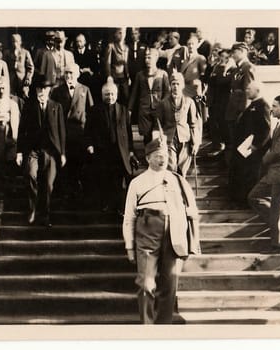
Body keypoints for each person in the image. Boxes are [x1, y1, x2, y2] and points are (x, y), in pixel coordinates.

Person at [123, 136, 200, 324]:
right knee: (146, 283)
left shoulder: (178, 180)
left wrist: (193, 241)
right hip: (147, 228)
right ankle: (147, 326)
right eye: (158, 155)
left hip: (174, 231)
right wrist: (129, 246)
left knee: (170, 283)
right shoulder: (137, 182)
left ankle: (163, 327)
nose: (163, 159)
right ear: (148, 158)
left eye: (165, 155)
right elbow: (129, 217)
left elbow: (192, 212)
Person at [16, 75, 66, 227]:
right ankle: (32, 210)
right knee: (31, 175)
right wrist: (19, 152)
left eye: (45, 89)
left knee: (49, 184)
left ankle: (45, 214)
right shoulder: (29, 106)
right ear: (36, 90)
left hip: (50, 151)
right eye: (39, 89)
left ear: (49, 90)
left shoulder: (56, 107)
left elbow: (61, 131)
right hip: (33, 151)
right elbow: (21, 130)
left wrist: (62, 153)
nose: (42, 92)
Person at [248, 94, 280, 249]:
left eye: (275, 106)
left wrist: (263, 158)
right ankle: (279, 226)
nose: (271, 109)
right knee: (254, 197)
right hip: (273, 173)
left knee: (278, 209)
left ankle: (278, 243)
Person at [85, 77, 136, 214]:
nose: (110, 97)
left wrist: (130, 151)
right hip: (103, 151)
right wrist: (90, 145)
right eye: (107, 94)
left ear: (116, 95)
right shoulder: (94, 110)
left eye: (112, 94)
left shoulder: (124, 110)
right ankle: (107, 204)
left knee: (120, 180)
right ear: (102, 96)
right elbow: (88, 130)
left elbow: (129, 132)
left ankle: (120, 207)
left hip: (120, 151)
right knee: (105, 178)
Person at [50, 63, 94, 197]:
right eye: (67, 73)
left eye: (71, 73)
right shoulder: (57, 91)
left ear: (78, 74)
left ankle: (78, 190)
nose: (69, 76)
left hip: (80, 132)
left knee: (78, 161)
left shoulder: (85, 90)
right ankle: (65, 192)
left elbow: (90, 112)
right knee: (65, 162)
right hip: (63, 131)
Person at [229, 81, 271, 204]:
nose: (246, 91)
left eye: (249, 89)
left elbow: (265, 129)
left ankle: (246, 203)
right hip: (243, 149)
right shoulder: (253, 104)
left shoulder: (263, 106)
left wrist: (255, 146)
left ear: (257, 91)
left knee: (250, 176)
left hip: (251, 151)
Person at [156, 72, 201, 178]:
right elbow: (158, 124)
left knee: (182, 170)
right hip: (169, 139)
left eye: (178, 84)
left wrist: (195, 143)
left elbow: (193, 124)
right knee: (171, 167)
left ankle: (181, 191)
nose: (175, 86)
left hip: (185, 139)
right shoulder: (163, 103)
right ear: (170, 86)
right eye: (173, 84)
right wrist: (160, 140)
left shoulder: (189, 102)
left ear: (183, 85)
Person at [128, 48, 170, 146]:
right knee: (146, 135)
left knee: (157, 134)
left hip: (158, 109)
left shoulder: (163, 74)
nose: (147, 60)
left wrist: (163, 104)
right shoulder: (140, 75)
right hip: (144, 109)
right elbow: (134, 93)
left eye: (149, 57)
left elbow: (167, 92)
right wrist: (129, 109)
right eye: (146, 57)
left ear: (156, 58)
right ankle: (147, 157)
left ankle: (156, 158)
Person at [225, 42, 255, 165]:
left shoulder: (248, 67)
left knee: (240, 143)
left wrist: (244, 113)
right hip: (233, 110)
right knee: (233, 141)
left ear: (243, 51)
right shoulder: (238, 68)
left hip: (239, 112)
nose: (232, 54)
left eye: (235, 52)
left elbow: (249, 92)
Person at [206, 49, 235, 157]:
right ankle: (216, 145)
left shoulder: (231, 69)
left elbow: (223, 81)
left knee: (223, 124)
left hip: (224, 101)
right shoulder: (216, 67)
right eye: (221, 56)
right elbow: (209, 82)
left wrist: (223, 70)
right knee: (213, 123)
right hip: (214, 100)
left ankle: (226, 146)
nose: (222, 58)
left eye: (225, 56)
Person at [181, 35, 208, 122]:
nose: (190, 46)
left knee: (197, 116)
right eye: (189, 44)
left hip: (195, 91)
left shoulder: (200, 58)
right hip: (185, 91)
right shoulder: (185, 60)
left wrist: (201, 91)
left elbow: (204, 77)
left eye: (193, 44)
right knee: (187, 116)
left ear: (197, 45)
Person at [104, 27, 130, 106]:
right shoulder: (111, 46)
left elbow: (126, 64)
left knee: (126, 97)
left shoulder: (126, 48)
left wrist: (128, 76)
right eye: (119, 33)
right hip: (114, 76)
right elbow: (107, 63)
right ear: (115, 34)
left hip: (123, 77)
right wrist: (109, 76)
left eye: (123, 33)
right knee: (114, 97)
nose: (122, 35)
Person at [3, 33, 34, 99]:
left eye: (16, 41)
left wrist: (28, 78)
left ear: (20, 42)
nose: (15, 44)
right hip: (11, 79)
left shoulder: (25, 52)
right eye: (13, 41)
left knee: (23, 97)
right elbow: (4, 66)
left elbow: (30, 67)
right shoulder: (7, 53)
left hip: (22, 79)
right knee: (11, 97)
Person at [72, 33, 99, 99]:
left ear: (85, 42)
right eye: (77, 41)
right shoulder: (73, 54)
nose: (78, 43)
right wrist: (81, 70)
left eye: (80, 41)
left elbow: (96, 68)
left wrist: (89, 71)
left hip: (89, 81)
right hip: (78, 80)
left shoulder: (92, 53)